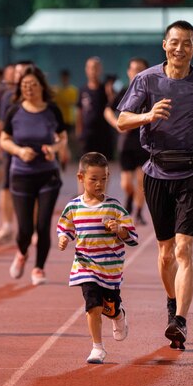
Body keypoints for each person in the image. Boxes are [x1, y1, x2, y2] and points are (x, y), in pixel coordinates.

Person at [116, 20, 193, 350]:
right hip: (157, 172)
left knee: (183, 248)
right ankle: (171, 302)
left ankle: (180, 320)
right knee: (165, 255)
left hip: (192, 171)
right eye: (174, 42)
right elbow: (122, 121)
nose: (180, 48)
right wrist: (147, 117)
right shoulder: (146, 80)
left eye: (186, 43)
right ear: (164, 44)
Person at [57, 152, 138, 364]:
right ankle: (97, 348)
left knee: (109, 308)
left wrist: (120, 230)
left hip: (110, 270)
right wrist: (64, 238)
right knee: (93, 306)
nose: (99, 184)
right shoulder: (74, 207)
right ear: (81, 177)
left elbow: (132, 237)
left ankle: (118, 315)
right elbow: (65, 228)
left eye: (103, 179)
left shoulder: (114, 207)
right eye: (93, 179)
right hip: (85, 266)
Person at [0, 65, 68, 286]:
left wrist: (53, 149)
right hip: (21, 174)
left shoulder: (52, 110)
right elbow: (4, 140)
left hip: (47, 174)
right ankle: (22, 253)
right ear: (20, 88)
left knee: (43, 224)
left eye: (33, 85)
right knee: (25, 230)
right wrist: (19, 151)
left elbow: (62, 138)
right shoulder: (14, 111)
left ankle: (39, 267)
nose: (29, 89)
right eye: (25, 85)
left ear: (41, 86)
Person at [0, 61, 33, 244]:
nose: (19, 75)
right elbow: (2, 123)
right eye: (17, 72)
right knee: (6, 187)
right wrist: (1, 144)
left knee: (33, 189)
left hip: (32, 149)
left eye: (24, 72)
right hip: (12, 149)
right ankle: (6, 225)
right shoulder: (7, 96)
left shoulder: (38, 95)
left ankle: (33, 227)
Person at [104, 57, 151, 225]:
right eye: (134, 69)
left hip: (144, 143)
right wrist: (117, 124)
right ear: (129, 72)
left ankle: (138, 212)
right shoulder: (123, 91)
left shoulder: (151, 93)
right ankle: (130, 197)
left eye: (140, 69)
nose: (137, 72)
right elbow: (107, 111)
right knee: (126, 184)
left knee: (141, 181)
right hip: (126, 144)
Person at [76, 57, 114, 162]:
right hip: (87, 135)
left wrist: (110, 93)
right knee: (87, 165)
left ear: (100, 69)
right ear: (86, 69)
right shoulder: (82, 90)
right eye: (91, 68)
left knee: (103, 165)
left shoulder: (105, 89)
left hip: (104, 134)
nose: (93, 71)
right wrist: (79, 132)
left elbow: (112, 107)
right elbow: (79, 112)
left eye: (96, 68)